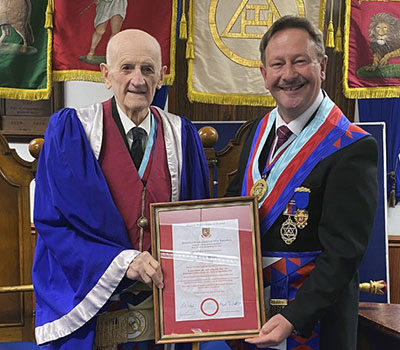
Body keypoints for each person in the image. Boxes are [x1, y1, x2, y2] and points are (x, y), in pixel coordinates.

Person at [33, 29, 209, 349]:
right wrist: (121, 262)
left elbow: (200, 225)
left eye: (148, 69)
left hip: (162, 306)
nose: (138, 80)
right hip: (93, 305)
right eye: (126, 68)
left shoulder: (183, 138)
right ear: (106, 74)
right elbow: (55, 224)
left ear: (162, 76)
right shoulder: (73, 132)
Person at [225, 16, 378, 350]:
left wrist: (294, 317)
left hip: (311, 325)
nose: (289, 75)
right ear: (265, 76)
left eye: (300, 61)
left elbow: (343, 254)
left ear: (322, 66)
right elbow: (230, 212)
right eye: (277, 64)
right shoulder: (254, 133)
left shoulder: (352, 146)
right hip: (249, 317)